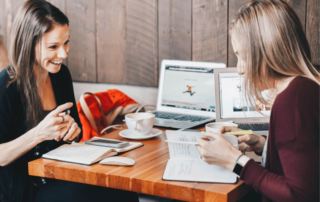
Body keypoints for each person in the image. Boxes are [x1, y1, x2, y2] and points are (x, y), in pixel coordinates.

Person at [0, 1, 138, 202]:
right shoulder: (6, 86)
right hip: (24, 190)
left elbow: (76, 133)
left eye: (66, 43)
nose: (64, 54)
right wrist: (38, 134)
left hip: (58, 175)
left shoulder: (60, 75)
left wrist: (71, 132)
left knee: (123, 189)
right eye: (53, 47)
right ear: (29, 44)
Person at [197, 1, 319, 202]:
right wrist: (264, 146)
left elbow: (299, 195)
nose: (240, 69)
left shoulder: (291, 101)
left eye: (243, 56)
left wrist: (234, 161)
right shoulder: (306, 87)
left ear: (266, 50)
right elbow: (307, 164)